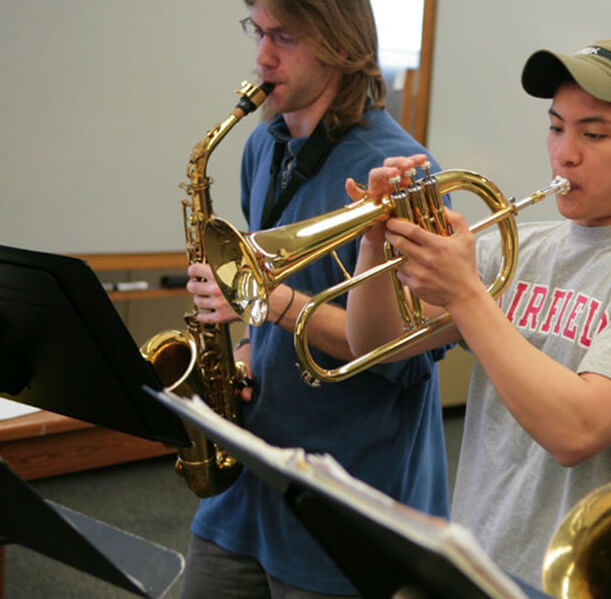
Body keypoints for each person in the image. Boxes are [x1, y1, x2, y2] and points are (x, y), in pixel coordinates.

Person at [346, 40, 611, 586]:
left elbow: (576, 430)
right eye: (556, 127)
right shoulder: (516, 246)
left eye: (593, 134)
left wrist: (467, 295)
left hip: (583, 580)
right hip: (477, 559)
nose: (564, 154)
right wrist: (374, 240)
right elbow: (373, 342)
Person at [179, 1, 449, 596]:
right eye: (258, 31)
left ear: (343, 49)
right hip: (253, 477)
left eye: (285, 37)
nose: (262, 55)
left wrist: (269, 301)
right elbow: (259, 301)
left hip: (347, 494)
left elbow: (404, 356)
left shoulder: (399, 170)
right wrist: (247, 351)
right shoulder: (262, 146)